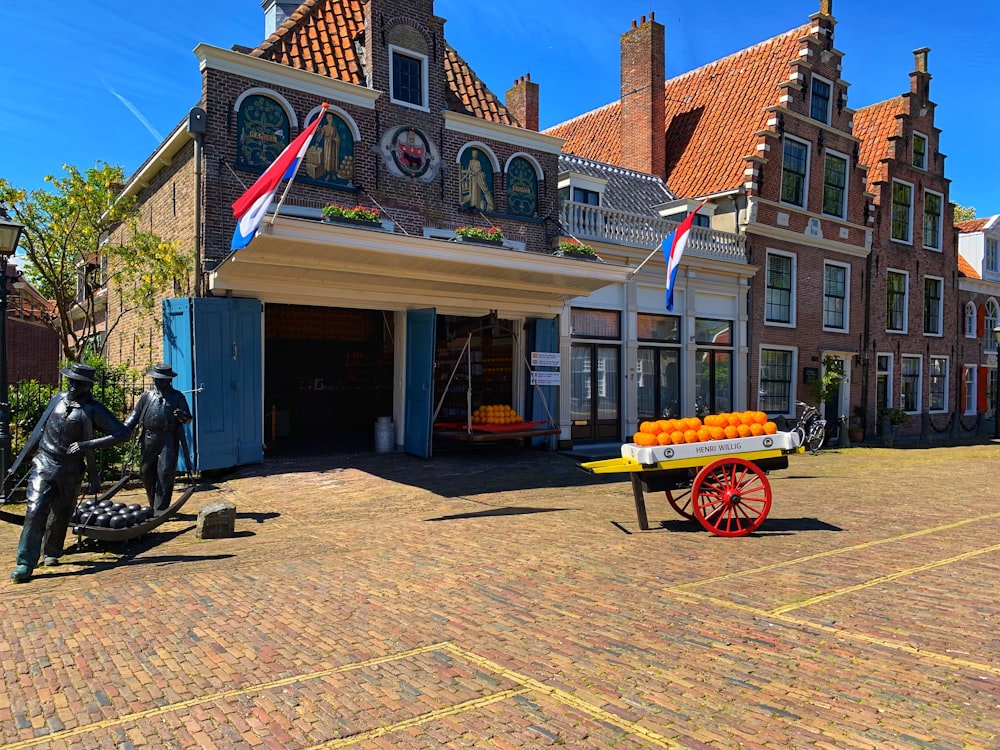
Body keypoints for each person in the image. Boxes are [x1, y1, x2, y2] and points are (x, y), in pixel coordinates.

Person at [11, 363, 130, 583]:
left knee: (62, 512)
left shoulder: (93, 409)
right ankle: (25, 562)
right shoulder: (57, 399)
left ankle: (52, 551)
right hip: (45, 463)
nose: (72, 385)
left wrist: (88, 444)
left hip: (70, 468)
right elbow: (41, 428)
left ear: (87, 386)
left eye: (78, 382)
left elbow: (122, 433)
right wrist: (23, 458)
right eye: (71, 380)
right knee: (36, 510)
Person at [123, 364, 192, 516]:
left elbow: (188, 418)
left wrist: (183, 416)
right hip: (149, 438)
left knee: (166, 472)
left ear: (168, 380)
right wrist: (123, 429)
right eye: (155, 378)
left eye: (160, 379)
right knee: (146, 472)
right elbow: (135, 415)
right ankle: (153, 503)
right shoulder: (147, 396)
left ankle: (161, 509)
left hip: (168, 439)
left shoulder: (177, 396)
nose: (157, 381)